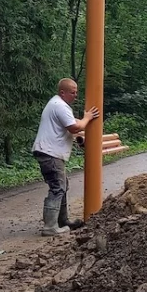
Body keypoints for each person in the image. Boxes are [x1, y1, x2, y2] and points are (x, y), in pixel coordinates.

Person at [32, 78, 99, 236]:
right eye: (72, 92)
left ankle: (62, 221)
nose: (75, 95)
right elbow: (75, 127)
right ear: (63, 92)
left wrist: (83, 127)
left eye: (76, 92)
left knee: (62, 185)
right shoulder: (60, 106)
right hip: (50, 153)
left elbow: (72, 124)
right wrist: (88, 118)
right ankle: (50, 227)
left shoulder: (57, 104)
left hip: (49, 152)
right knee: (57, 188)